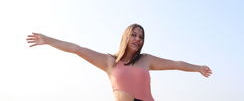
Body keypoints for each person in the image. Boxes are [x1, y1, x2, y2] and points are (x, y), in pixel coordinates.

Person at [26, 23, 212, 101]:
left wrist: (198, 68)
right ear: (126, 36)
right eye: (134, 34)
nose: (137, 38)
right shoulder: (109, 62)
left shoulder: (147, 60)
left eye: (141, 36)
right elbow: (77, 49)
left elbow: (176, 64)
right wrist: (48, 40)